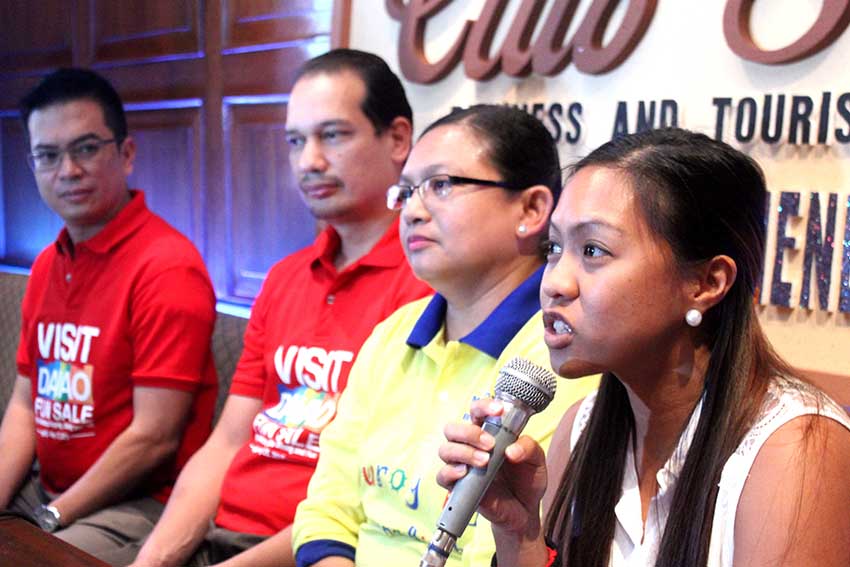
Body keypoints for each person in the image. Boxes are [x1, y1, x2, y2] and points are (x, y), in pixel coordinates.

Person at [437, 127, 850, 567]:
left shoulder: (797, 449)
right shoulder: (580, 429)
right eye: (555, 247)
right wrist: (518, 532)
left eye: (594, 250)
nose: (553, 283)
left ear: (707, 283)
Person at [130, 49, 432, 567]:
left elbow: (374, 493)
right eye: (296, 141)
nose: (308, 161)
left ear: (398, 139)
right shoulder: (285, 277)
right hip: (220, 534)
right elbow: (227, 442)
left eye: (332, 135)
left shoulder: (428, 286)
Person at [292, 104, 598, 567]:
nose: (413, 210)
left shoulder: (565, 352)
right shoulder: (393, 333)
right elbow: (326, 513)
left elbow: (502, 548)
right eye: (408, 190)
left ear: (533, 208)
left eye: (441, 185)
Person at [0, 68, 218, 564]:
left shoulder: (166, 266)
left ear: (126, 153)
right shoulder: (47, 264)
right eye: (48, 155)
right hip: (50, 492)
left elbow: (153, 438)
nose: (68, 170)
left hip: (139, 508)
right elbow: (24, 406)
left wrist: (50, 519)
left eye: (86, 148)